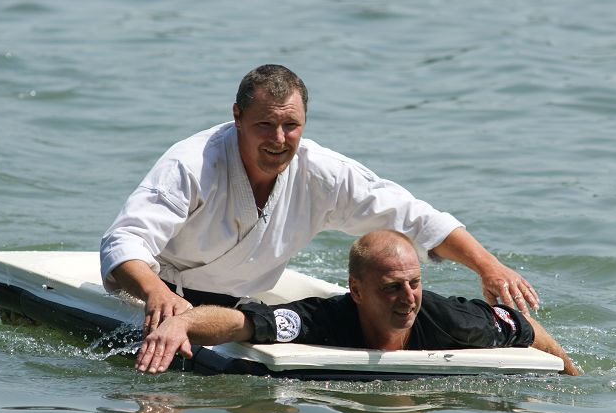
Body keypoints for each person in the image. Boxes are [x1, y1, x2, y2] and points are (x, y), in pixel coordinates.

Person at [101, 64, 539, 337]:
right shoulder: (192, 163)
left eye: (290, 125)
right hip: (156, 297)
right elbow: (124, 242)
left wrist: (487, 266)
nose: (278, 140)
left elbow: (413, 216)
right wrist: (158, 296)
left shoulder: (321, 171)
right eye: (264, 125)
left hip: (241, 306)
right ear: (236, 118)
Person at [135, 230, 579, 376]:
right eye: (391, 287)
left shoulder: (448, 320)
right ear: (357, 290)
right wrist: (184, 324)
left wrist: (571, 370)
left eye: (414, 284)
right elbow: (242, 323)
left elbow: (522, 327)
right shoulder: (324, 319)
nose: (407, 299)